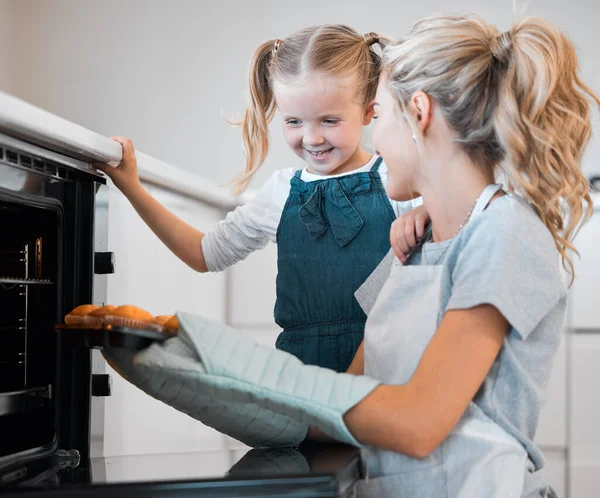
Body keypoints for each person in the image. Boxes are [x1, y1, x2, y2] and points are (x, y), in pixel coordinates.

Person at [328, 14, 598, 497]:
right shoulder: (410, 243)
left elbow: (419, 421)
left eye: (380, 116)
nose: (373, 142)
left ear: (418, 111)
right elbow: (348, 393)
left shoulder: (506, 230)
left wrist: (268, 385)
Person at [95, 24, 426, 373]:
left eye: (329, 120)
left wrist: (426, 213)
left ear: (369, 111)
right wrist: (131, 187)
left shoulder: (398, 180)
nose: (312, 138)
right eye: (294, 121)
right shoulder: (280, 192)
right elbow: (204, 253)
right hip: (299, 374)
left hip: (387, 368)